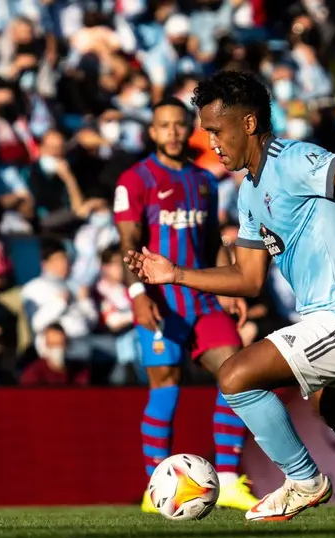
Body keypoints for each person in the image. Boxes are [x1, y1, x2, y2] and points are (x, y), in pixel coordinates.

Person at [125, 71, 335, 521]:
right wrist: (175, 273)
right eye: (205, 132)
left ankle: (304, 480)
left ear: (248, 124)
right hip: (329, 318)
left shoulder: (291, 158)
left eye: (216, 130)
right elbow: (248, 279)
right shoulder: (249, 191)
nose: (210, 142)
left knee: (234, 376)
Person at [114, 98, 260, 513]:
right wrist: (139, 296)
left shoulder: (204, 180)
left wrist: (229, 287)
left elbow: (212, 241)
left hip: (201, 297)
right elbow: (127, 244)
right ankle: (153, 488)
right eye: (165, 126)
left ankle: (228, 480)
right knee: (166, 388)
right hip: (161, 302)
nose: (174, 132)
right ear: (153, 132)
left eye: (181, 125)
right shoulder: (135, 179)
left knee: (237, 375)